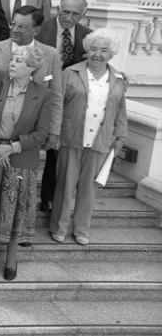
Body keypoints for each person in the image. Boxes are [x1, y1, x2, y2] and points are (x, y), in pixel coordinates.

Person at [0, 47, 52, 281]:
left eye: (20, 60)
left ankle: (12, 257)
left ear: (31, 68)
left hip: (22, 159)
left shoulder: (43, 95)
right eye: (13, 59)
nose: (13, 63)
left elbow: (42, 133)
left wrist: (13, 147)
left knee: (16, 211)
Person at [49, 29, 127, 246]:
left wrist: (120, 137)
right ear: (86, 50)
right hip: (70, 137)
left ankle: (82, 229)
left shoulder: (119, 79)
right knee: (65, 185)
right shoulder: (70, 73)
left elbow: (121, 109)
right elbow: (56, 105)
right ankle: (59, 226)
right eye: (93, 49)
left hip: (101, 140)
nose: (97, 54)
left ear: (111, 53)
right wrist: (54, 132)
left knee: (88, 188)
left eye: (104, 50)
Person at [0, 5, 63, 158]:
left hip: (31, 137)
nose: (14, 29)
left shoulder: (51, 55)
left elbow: (56, 96)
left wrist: (53, 131)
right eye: (13, 24)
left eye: (21, 26)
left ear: (36, 30)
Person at [35, 0, 93, 212]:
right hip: (38, 95)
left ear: (83, 14)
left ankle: (48, 198)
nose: (68, 17)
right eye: (65, 11)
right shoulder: (40, 29)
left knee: (55, 150)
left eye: (75, 14)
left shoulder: (88, 36)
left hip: (66, 103)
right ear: (58, 8)